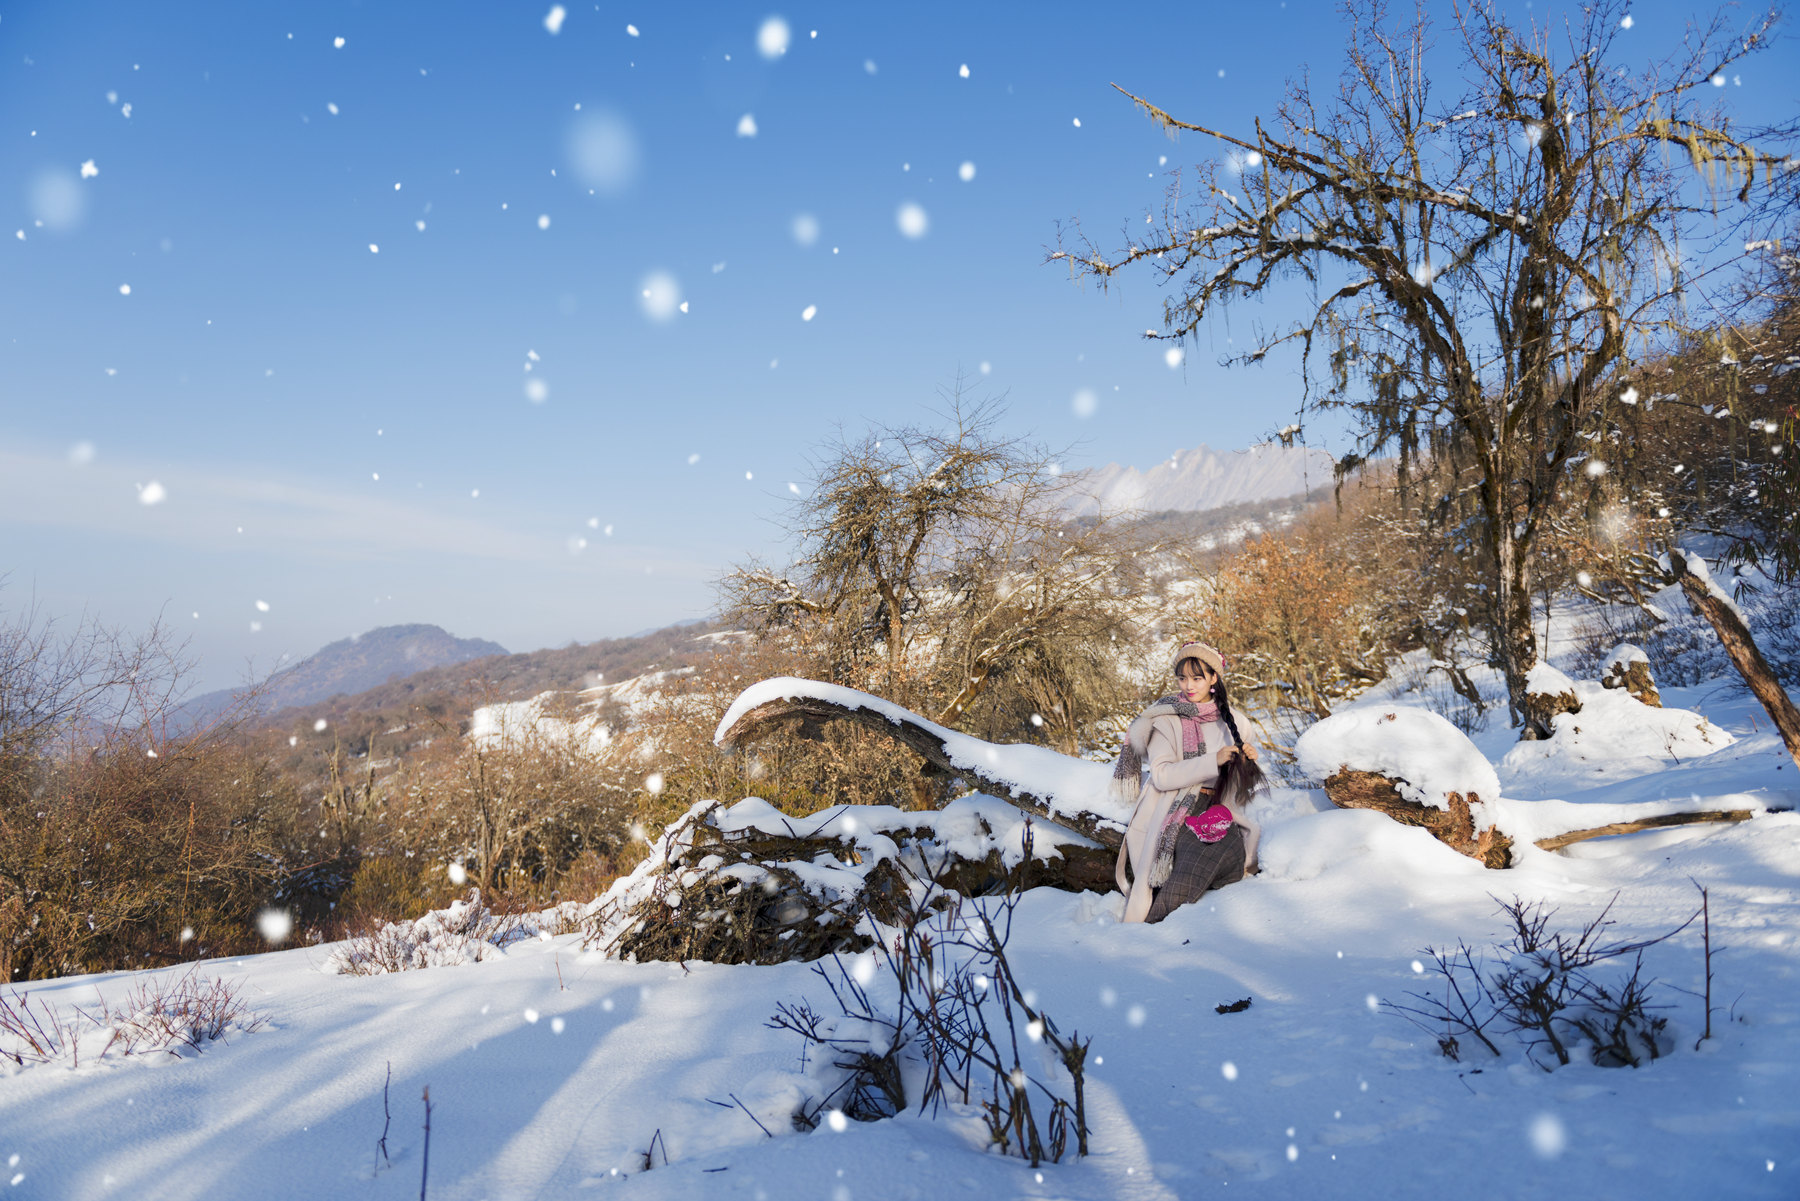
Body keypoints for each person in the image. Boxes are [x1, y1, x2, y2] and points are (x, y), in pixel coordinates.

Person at [1111, 640, 1264, 923]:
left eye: (1197, 678)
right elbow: (1162, 775)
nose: (1189, 686)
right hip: (1175, 809)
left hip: (1217, 809)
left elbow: (1243, 791)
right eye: (1182, 678)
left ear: (1213, 677)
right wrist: (1212, 760)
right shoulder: (1166, 720)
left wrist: (1246, 763)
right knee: (1194, 860)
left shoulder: (1237, 723)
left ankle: (1181, 921)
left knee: (1223, 853)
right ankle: (1151, 927)